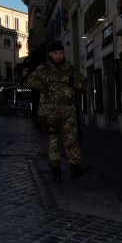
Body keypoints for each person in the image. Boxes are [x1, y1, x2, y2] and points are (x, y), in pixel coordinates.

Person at [24, 40, 88, 182]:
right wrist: (45, 85)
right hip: (50, 112)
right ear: (50, 55)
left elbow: (83, 83)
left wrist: (75, 84)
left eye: (60, 53)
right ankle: (55, 169)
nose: (59, 56)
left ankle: (75, 168)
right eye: (56, 54)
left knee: (71, 140)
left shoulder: (70, 69)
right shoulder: (44, 69)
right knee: (53, 141)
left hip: (68, 112)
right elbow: (29, 81)